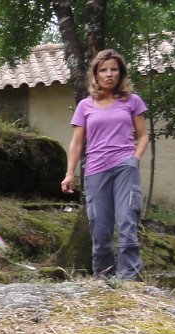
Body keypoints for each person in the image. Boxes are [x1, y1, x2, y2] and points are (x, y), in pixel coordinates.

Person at [62, 49, 150, 280]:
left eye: (114, 69)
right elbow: (77, 143)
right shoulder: (85, 105)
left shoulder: (132, 101)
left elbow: (143, 136)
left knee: (127, 223)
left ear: (120, 73)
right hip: (95, 171)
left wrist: (134, 160)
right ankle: (104, 279)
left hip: (125, 168)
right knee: (100, 228)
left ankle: (130, 280)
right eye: (103, 70)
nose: (109, 74)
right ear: (96, 74)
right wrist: (69, 173)